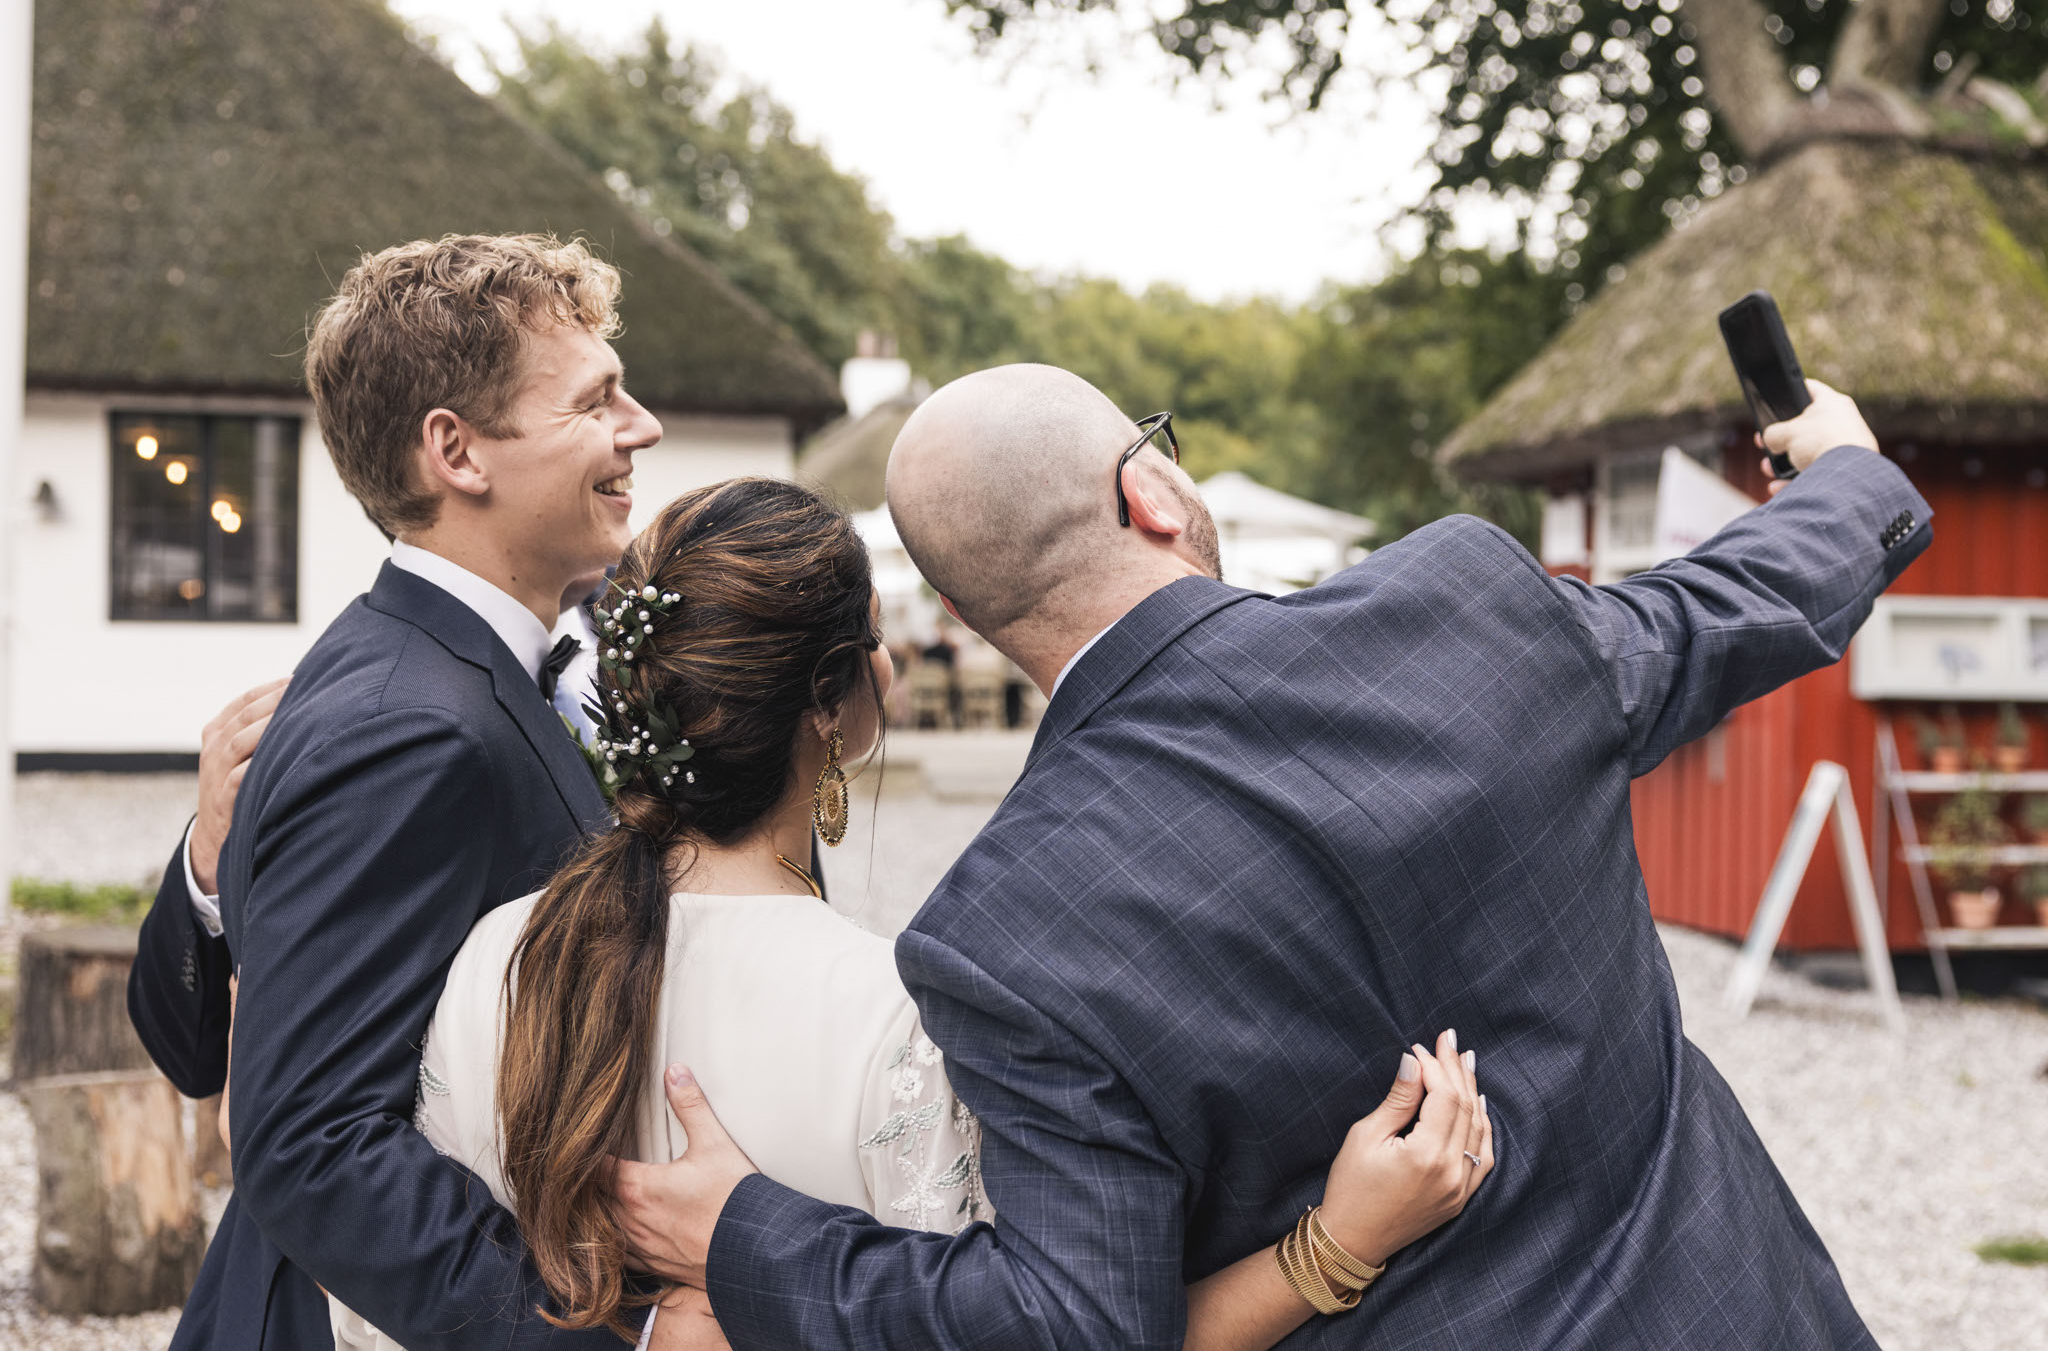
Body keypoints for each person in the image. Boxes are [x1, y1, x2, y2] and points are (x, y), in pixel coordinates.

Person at [612, 365, 1928, 1349]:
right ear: (1150, 491)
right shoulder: (1467, 607)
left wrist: (746, 1233)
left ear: (962, 610)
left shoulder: (1000, 932)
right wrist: (1849, 470)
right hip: (1737, 1306)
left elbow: (1074, 1322)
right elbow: (1733, 603)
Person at [301, 476, 1490, 1349]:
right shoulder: (901, 1021)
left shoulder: (495, 956)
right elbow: (1057, 1332)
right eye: (875, 645)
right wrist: (1332, 1244)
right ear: (835, 703)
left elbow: (382, 1305)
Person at [124, 232, 704, 1350]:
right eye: (595, 402)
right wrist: (603, 1339)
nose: (641, 427)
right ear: (457, 451)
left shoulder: (460, 664)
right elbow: (315, 1145)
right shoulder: (407, 729)